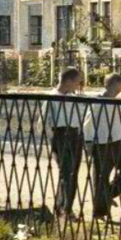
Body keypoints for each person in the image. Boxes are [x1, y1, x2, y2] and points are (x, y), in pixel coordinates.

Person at [83, 73, 121, 220]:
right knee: (101, 176)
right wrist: (88, 143)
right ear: (114, 85)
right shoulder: (98, 101)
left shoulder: (116, 100)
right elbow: (88, 122)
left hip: (118, 140)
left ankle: (107, 195)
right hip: (101, 142)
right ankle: (100, 211)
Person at [44, 67, 84, 221]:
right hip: (61, 134)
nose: (79, 85)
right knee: (67, 172)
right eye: (77, 82)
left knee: (72, 173)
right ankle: (64, 209)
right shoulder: (53, 97)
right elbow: (46, 120)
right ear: (69, 81)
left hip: (75, 134)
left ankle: (65, 208)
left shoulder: (73, 96)